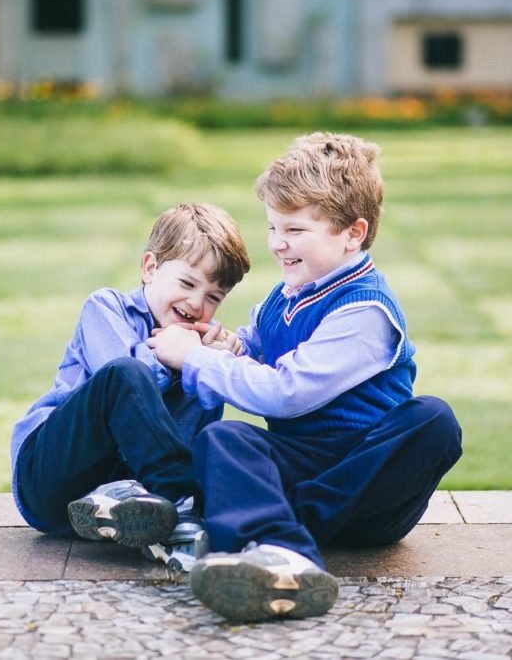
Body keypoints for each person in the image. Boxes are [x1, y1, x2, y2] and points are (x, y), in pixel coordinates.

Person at [148, 133, 463, 622]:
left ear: (352, 233)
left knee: (433, 420)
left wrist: (195, 360)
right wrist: (222, 345)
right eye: (273, 227)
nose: (278, 243)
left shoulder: (366, 311)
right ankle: (275, 546)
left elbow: (286, 392)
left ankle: (265, 539)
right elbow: (253, 346)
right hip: (301, 463)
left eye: (294, 230)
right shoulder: (286, 295)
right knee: (224, 438)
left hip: (365, 478)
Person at [11, 202, 250, 569]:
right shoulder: (106, 308)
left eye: (214, 297)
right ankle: (181, 504)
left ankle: (147, 514)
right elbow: (126, 382)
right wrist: (179, 359)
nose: (196, 302)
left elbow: (195, 436)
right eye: (187, 283)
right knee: (126, 374)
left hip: (126, 498)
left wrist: (213, 367)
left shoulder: (198, 353)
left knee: (224, 444)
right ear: (150, 268)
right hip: (51, 479)